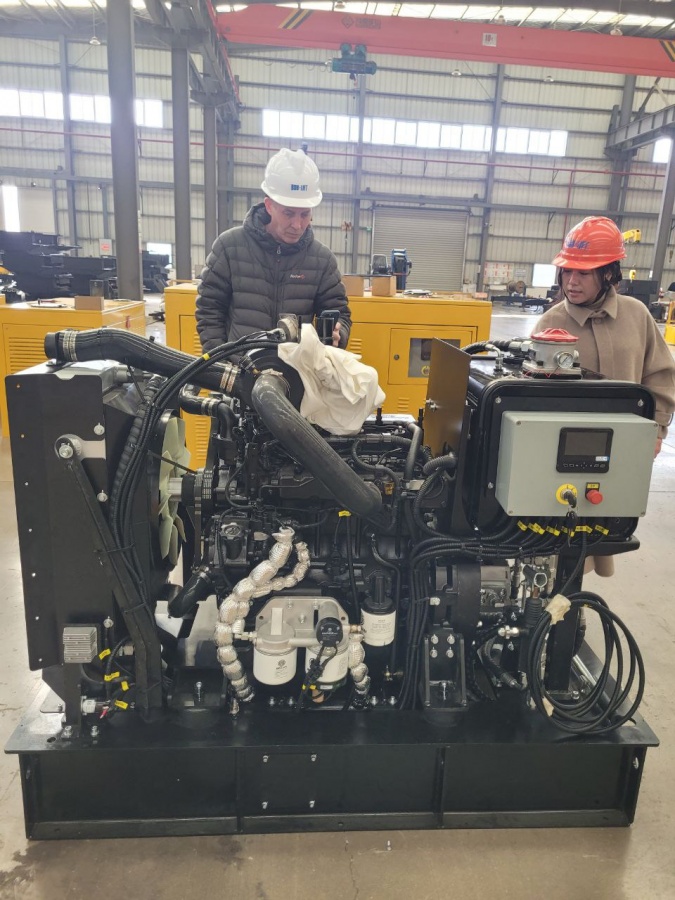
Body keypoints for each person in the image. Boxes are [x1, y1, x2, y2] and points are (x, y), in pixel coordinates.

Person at [537, 216, 675, 575]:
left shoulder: (636, 316)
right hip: (564, 451)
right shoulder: (551, 324)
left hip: (623, 447)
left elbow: (660, 374)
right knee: (558, 533)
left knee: (605, 522)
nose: (572, 281)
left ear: (610, 273)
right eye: (567, 271)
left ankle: (574, 595)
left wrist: (657, 429)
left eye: (583, 273)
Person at [196, 148, 351, 351]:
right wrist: (221, 360)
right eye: (288, 213)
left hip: (296, 368)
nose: (297, 225)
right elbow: (209, 309)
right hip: (238, 367)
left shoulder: (322, 260)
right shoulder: (229, 247)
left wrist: (339, 333)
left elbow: (339, 313)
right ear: (269, 205)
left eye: (305, 214)